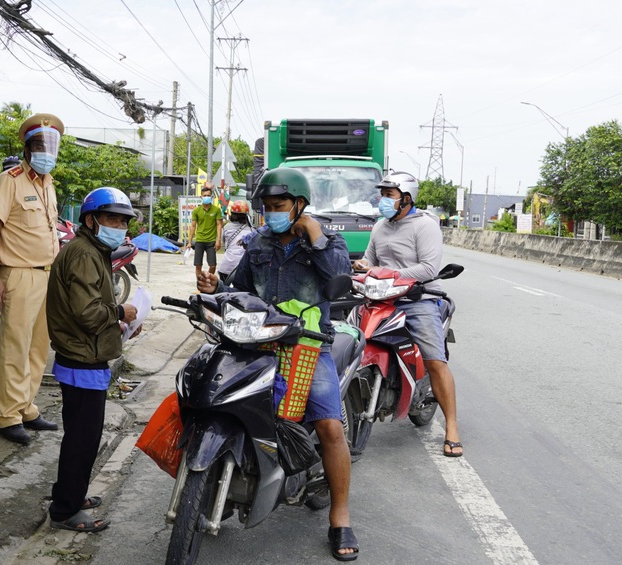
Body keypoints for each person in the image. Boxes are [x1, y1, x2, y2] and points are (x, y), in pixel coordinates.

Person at [197, 168, 359, 561]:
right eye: (266, 207)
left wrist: (314, 235)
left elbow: (341, 276)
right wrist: (214, 289)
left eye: (279, 206)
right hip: (258, 342)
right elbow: (239, 288)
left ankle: (340, 516)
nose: (271, 213)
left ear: (300, 206)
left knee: (330, 426)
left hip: (308, 345)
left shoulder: (327, 242)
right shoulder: (256, 243)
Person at [46, 187, 141, 533]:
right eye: (112, 218)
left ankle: (70, 494)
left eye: (123, 220)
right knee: (82, 439)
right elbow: (88, 313)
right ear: (92, 220)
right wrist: (120, 310)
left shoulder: (94, 250)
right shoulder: (85, 254)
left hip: (83, 353)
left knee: (80, 435)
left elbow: (86, 310)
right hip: (80, 357)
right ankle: (65, 510)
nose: (119, 225)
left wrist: (121, 324)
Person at [353, 171, 464, 458]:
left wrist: (389, 274)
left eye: (389, 195)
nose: (383, 200)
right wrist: (362, 266)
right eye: (382, 195)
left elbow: (428, 268)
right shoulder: (380, 226)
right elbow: (371, 261)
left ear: (406, 198)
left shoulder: (425, 225)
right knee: (349, 342)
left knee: (435, 360)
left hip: (419, 298)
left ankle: (452, 427)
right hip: (382, 297)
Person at [0, 113, 65, 445]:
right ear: (28, 149)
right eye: (40, 145)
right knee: (15, 347)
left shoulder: (48, 184)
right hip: (18, 274)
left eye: (51, 145)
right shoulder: (10, 180)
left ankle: (26, 407)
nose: (47, 151)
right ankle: (8, 417)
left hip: (47, 275)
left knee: (38, 348)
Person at [187, 182, 223, 279]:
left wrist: (218, 240)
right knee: (198, 265)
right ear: (201, 197)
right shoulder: (196, 211)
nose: (206, 197)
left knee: (213, 265)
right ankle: (200, 284)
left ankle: (207, 281)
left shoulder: (216, 210)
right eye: (204, 196)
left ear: (211, 197)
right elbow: (193, 226)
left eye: (208, 195)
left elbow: (219, 225)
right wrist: (189, 242)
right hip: (199, 240)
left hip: (211, 242)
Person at [216, 199, 255, 283]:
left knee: (224, 291)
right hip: (242, 268)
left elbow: (224, 242)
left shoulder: (226, 228)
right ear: (246, 216)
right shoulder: (251, 231)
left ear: (232, 214)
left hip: (226, 267)